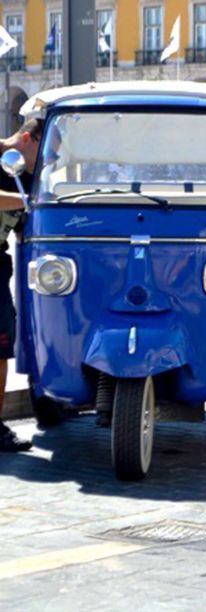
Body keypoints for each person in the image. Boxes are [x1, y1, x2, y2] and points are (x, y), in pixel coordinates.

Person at [0, 119, 43, 452]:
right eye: (43, 146)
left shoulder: (30, 178)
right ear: (26, 138)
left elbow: (21, 231)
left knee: (0, 345)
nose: (46, 155)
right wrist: (29, 199)